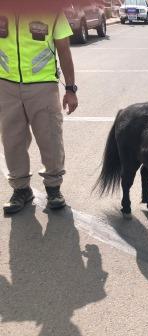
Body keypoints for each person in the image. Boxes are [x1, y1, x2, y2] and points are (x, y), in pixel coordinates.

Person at [0, 12, 78, 214]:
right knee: (12, 140)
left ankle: (53, 188)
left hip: (43, 85)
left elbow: (64, 49)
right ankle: (21, 190)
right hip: (5, 84)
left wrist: (70, 89)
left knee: (50, 138)